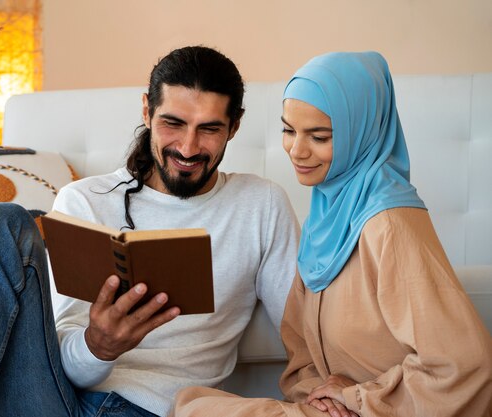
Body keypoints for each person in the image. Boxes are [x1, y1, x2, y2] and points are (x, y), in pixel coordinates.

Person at [0, 46, 300, 417]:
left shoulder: (260, 204)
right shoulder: (85, 200)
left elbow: (302, 330)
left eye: (209, 129)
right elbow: (66, 356)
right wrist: (98, 345)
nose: (188, 148)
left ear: (234, 126)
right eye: (172, 124)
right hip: (54, 400)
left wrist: (329, 384)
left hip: (155, 410)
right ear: (146, 111)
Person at [171, 51, 492, 417]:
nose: (297, 150)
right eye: (289, 130)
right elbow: (302, 352)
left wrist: (359, 398)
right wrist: (320, 396)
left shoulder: (388, 222)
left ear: (361, 132)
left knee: (194, 410)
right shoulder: (325, 219)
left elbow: (465, 366)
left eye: (319, 136)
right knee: (190, 403)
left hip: (385, 410)